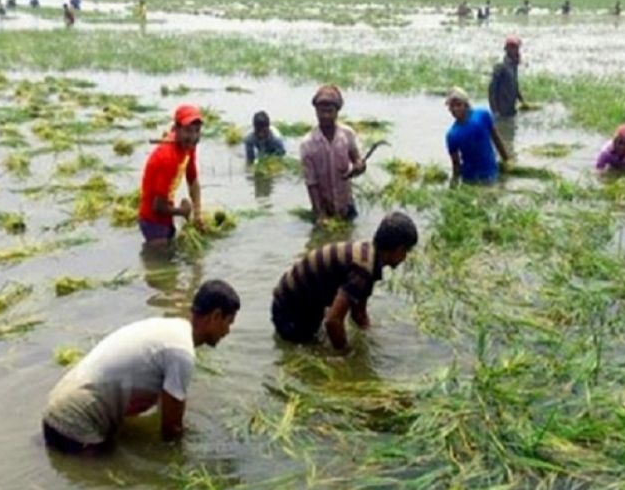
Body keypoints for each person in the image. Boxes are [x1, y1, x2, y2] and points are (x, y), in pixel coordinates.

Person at [42, 280, 240, 453]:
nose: (228, 331)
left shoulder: (169, 328)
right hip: (74, 424)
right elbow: (171, 431)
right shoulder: (182, 353)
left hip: (57, 404)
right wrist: (179, 463)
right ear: (215, 316)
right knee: (112, 472)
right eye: (228, 322)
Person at [271, 212, 418, 352]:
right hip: (289, 308)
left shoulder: (368, 255)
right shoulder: (363, 270)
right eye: (406, 251)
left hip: (303, 299)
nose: (405, 257)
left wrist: (370, 338)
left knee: (319, 342)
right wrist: (346, 357)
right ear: (399, 249)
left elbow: (358, 314)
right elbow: (332, 321)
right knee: (309, 351)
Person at [138, 104, 205, 245]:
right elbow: (157, 206)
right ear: (177, 129)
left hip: (166, 215)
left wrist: (197, 214)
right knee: (160, 263)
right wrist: (183, 211)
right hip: (153, 221)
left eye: (197, 131)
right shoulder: (168, 158)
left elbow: (192, 179)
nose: (193, 137)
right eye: (188, 130)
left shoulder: (188, 146)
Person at [300, 85, 365, 222]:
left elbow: (357, 160)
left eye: (330, 111)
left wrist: (359, 167)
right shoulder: (308, 144)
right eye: (321, 111)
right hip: (324, 209)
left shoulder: (347, 134)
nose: (325, 116)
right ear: (316, 112)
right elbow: (311, 183)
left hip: (346, 205)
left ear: (337, 112)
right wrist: (320, 215)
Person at [446, 87, 510, 184]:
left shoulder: (482, 115)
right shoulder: (452, 135)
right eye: (452, 106)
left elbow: (496, 139)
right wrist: (454, 184)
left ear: (466, 105)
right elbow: (456, 165)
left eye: (458, 105)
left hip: (491, 173)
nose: (455, 109)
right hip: (470, 179)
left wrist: (507, 160)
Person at [489, 35, 525, 118]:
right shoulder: (500, 67)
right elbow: (492, 90)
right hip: (501, 110)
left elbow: (515, 86)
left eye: (517, 48)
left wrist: (522, 100)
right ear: (507, 49)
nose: (517, 51)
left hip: (511, 108)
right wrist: (494, 110)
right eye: (514, 48)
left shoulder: (513, 66)